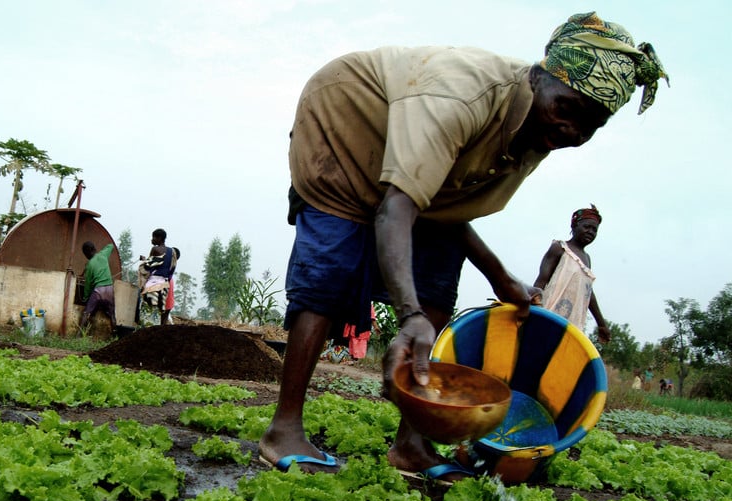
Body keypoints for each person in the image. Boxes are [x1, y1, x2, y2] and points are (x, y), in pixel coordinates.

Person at [258, 12, 667, 477]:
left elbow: (446, 210)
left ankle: (411, 446)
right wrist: (408, 316)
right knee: (330, 270)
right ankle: (284, 428)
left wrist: (501, 279)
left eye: (590, 125)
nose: (573, 130)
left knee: (437, 280)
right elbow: (397, 208)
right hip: (345, 130)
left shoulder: (534, 135)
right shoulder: (461, 96)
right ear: (542, 76)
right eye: (569, 109)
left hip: (403, 172)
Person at [533, 205, 611, 343]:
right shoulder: (559, 248)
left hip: (572, 324)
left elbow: (588, 292)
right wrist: (532, 309)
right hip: (550, 314)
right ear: (574, 226)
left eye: (594, 230)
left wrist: (601, 323)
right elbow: (541, 281)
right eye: (587, 227)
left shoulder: (587, 259)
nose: (590, 232)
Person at [140, 228, 177, 325]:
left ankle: (146, 330)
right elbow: (171, 268)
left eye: (154, 237)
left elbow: (148, 266)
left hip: (153, 283)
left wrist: (143, 262)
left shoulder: (155, 249)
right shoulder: (172, 251)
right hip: (164, 284)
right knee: (159, 308)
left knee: (148, 309)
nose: (152, 240)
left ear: (160, 238)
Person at [79, 241, 116, 332]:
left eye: (85, 254)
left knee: (87, 313)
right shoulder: (103, 255)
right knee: (112, 315)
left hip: (98, 291)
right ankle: (114, 335)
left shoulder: (89, 265)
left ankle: (79, 335)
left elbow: (88, 284)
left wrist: (85, 298)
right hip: (109, 289)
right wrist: (101, 252)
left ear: (88, 252)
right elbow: (111, 246)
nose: (85, 256)